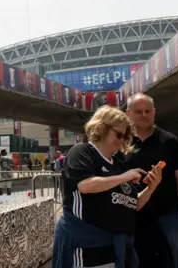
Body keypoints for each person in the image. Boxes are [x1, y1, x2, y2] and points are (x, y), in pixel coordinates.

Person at [52, 106, 162, 268]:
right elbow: (85, 185)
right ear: (102, 128)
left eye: (125, 136)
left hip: (116, 247)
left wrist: (151, 188)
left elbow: (134, 203)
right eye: (118, 134)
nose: (122, 140)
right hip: (88, 244)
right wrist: (124, 177)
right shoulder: (82, 152)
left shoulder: (118, 163)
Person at [124, 93, 178, 268]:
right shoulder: (121, 143)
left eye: (148, 111)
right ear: (128, 113)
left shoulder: (169, 141)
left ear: (154, 112)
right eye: (138, 111)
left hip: (168, 216)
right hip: (130, 216)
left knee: (171, 261)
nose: (144, 115)